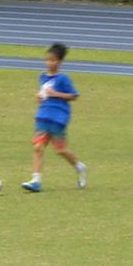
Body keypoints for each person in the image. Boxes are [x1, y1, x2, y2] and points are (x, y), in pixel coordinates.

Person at [21, 43, 87, 193]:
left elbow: (74, 95)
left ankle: (79, 167)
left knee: (60, 150)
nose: (49, 63)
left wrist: (56, 94)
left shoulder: (63, 79)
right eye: (47, 60)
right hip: (43, 117)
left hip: (58, 118)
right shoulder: (42, 77)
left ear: (59, 62)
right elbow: (44, 94)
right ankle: (36, 181)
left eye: (52, 60)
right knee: (38, 147)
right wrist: (40, 97)